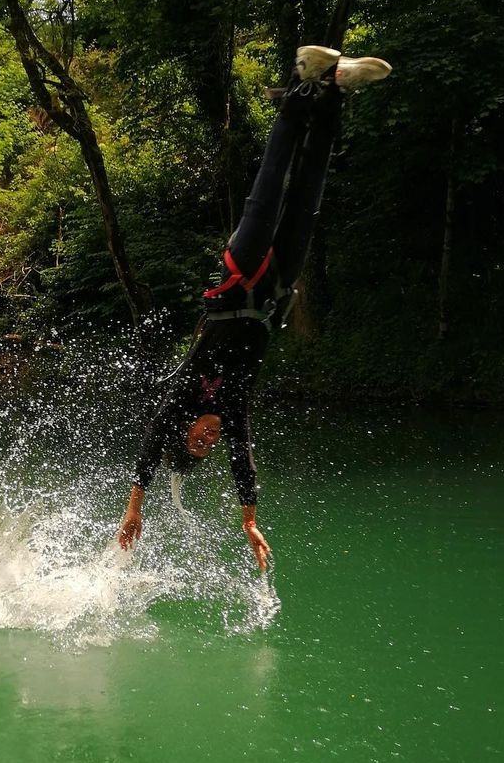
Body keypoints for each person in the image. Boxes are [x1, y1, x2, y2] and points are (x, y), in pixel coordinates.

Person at [117, 46, 392, 570]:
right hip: (274, 290)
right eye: (207, 448)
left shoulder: (184, 394)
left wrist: (136, 505)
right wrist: (248, 520)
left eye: (196, 442)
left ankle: (300, 85)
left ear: (186, 429)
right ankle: (333, 92)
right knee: (308, 196)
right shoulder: (233, 412)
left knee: (267, 195)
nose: (208, 440)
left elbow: (153, 438)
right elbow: (242, 460)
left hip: (238, 277)